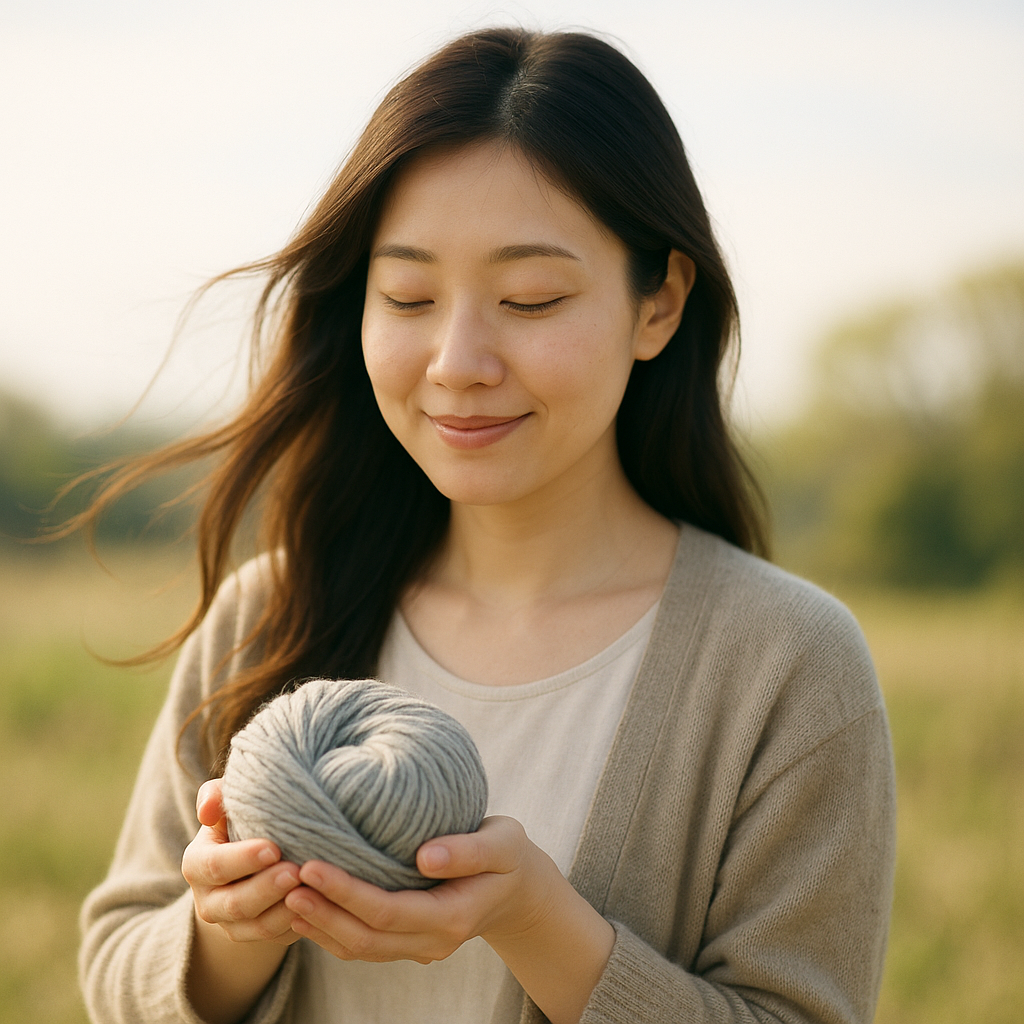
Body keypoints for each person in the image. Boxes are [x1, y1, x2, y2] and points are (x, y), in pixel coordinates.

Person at [78, 26, 896, 1024]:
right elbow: (118, 958)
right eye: (409, 295)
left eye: (529, 297)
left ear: (659, 303)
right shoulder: (271, 611)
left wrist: (536, 920)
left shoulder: (787, 664)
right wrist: (228, 928)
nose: (458, 360)